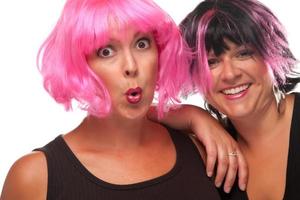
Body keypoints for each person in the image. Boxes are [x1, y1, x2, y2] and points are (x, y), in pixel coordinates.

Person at [0, 0, 248, 199]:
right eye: (106, 51)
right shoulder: (35, 178)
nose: (131, 66)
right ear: (80, 65)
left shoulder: (202, 152)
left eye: (142, 44)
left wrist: (195, 116)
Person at [155, 0, 300, 199]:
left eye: (243, 54)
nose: (229, 74)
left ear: (272, 53)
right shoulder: (209, 151)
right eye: (211, 62)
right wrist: (193, 115)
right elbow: (122, 118)